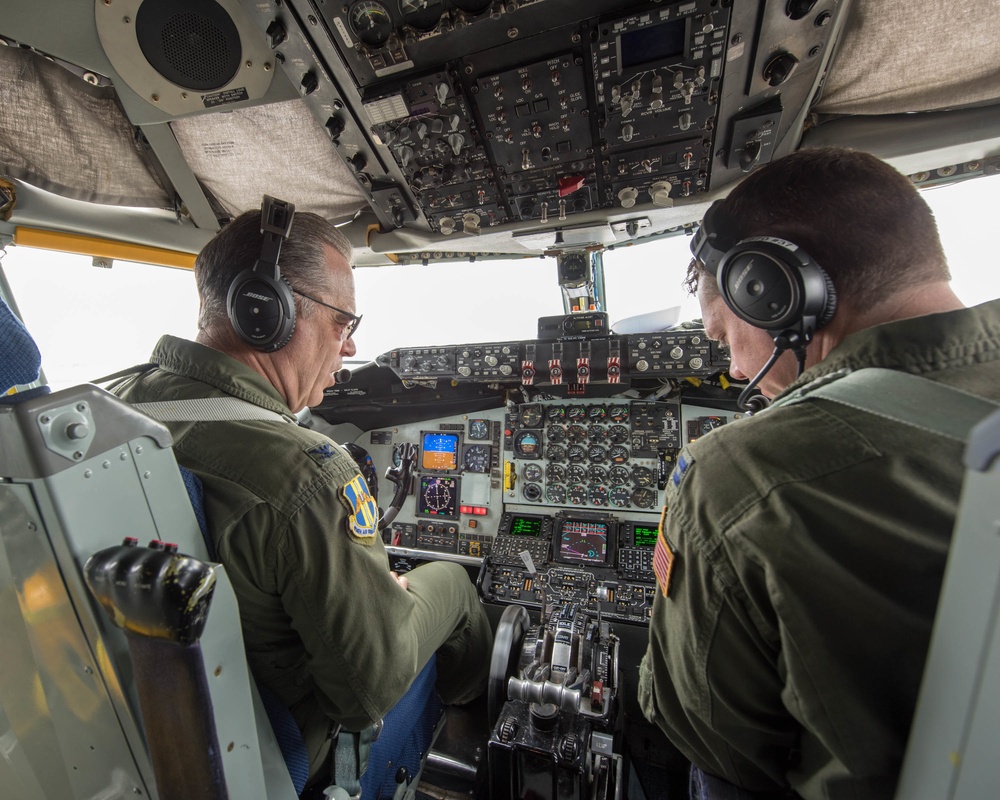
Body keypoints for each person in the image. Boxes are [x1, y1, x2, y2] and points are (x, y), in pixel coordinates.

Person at [638, 148, 1000, 799]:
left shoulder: (736, 479)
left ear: (775, 290)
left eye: (724, 339)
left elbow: (708, 733)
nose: (737, 373)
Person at [111, 202, 492, 790]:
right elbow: (366, 694)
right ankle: (470, 728)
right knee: (456, 585)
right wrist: (389, 607)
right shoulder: (307, 472)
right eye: (344, 323)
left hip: (131, 723)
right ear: (267, 312)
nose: (349, 349)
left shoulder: (106, 406)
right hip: (279, 750)